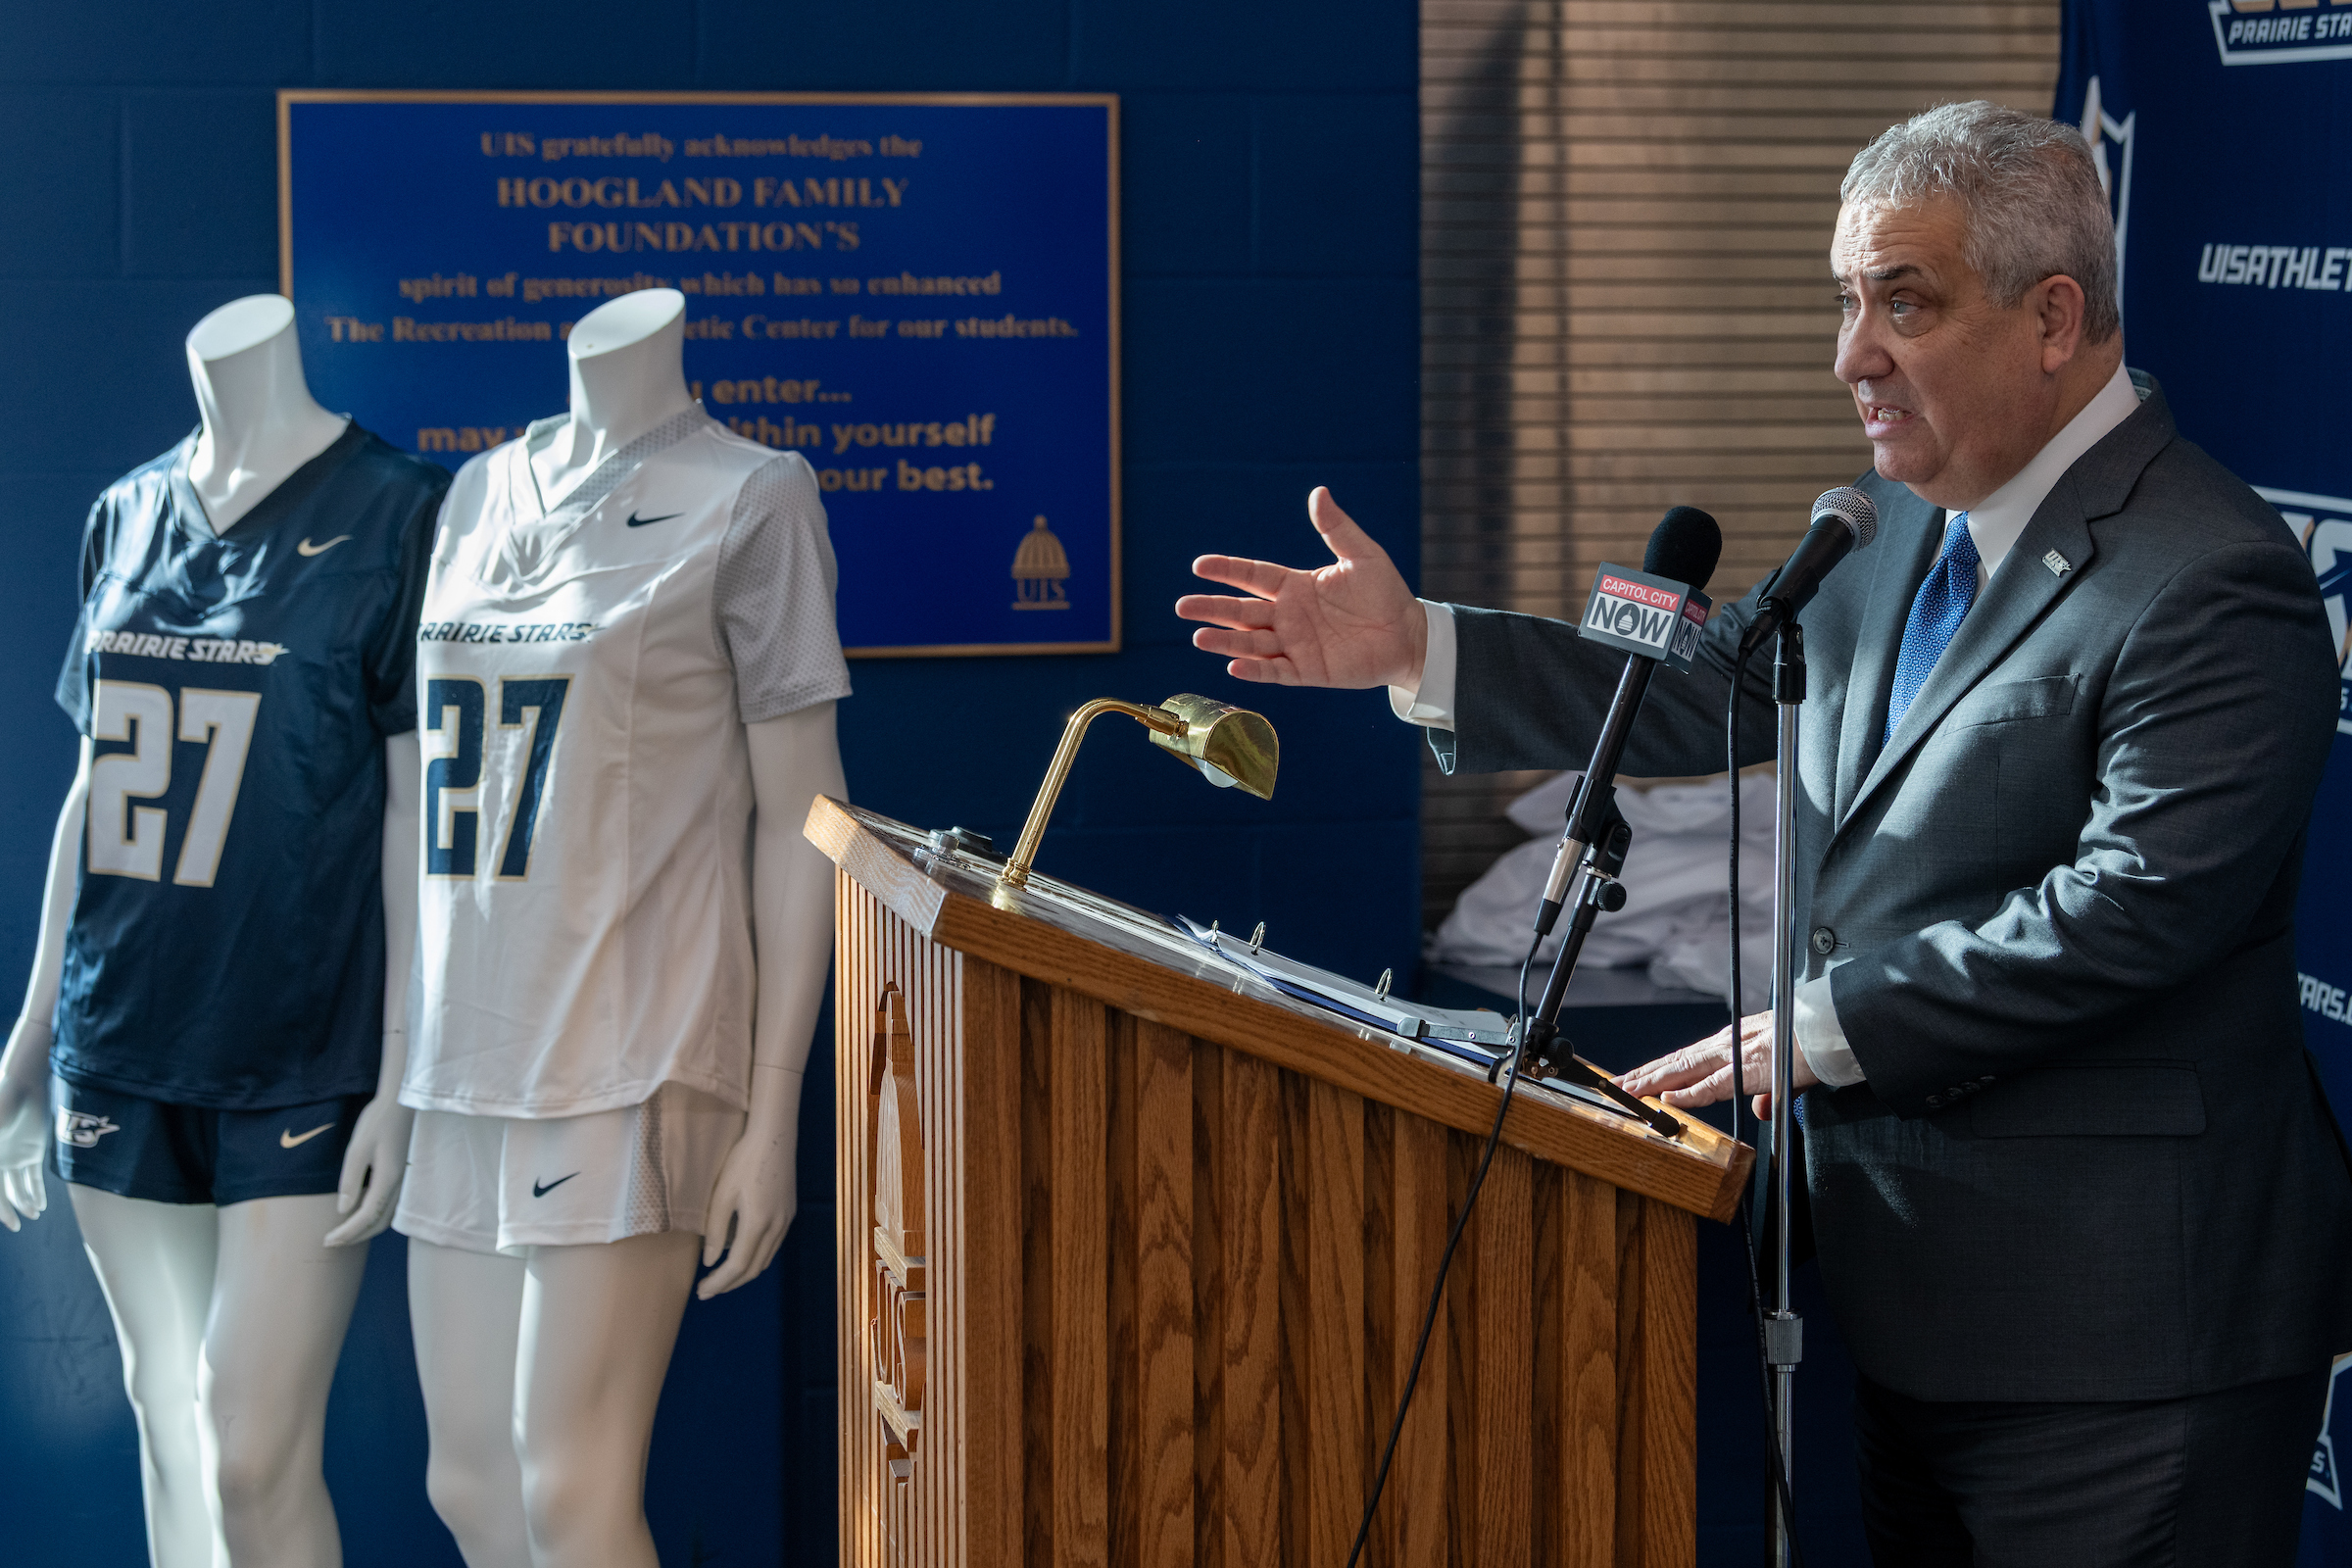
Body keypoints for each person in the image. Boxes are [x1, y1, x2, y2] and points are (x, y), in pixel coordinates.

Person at [1178, 101, 2352, 1563]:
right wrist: (1422, 648)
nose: (1851, 356)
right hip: (1914, 1303)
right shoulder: (1889, 528)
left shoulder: (2208, 576)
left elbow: (2136, 907)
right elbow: (1705, 691)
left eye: (1901, 304)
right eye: (1847, 302)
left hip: (2130, 1339)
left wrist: (1816, 1028)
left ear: (2054, 319)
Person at [395, 287, 848, 1568]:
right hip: (464, 1045)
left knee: (570, 1491)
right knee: (470, 1484)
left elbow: (802, 817)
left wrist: (773, 1109)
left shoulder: (753, 494)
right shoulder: (477, 497)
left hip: (632, 1034)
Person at [0, 293, 446, 1568]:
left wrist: (403, 1074)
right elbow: (94, 795)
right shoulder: (124, 515)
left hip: (297, 1046)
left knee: (249, 1447)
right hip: (116, 1035)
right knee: (166, 1416)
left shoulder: (401, 511)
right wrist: (29, 1043)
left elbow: (420, 816)